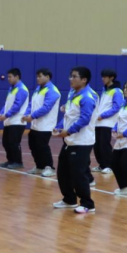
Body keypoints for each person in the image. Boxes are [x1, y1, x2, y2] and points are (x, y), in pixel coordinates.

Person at [52, 67, 98, 214]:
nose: (70, 79)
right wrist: (59, 127)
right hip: (70, 140)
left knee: (79, 174)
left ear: (84, 80)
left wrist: (68, 131)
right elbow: (69, 115)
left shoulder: (87, 97)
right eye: (70, 76)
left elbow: (85, 119)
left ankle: (87, 204)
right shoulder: (73, 94)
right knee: (62, 171)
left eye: (74, 76)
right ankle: (69, 199)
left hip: (81, 142)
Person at [23, 67, 60, 177]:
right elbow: (31, 104)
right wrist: (26, 113)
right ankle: (39, 166)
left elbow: (46, 107)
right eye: (37, 76)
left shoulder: (52, 91)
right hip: (35, 125)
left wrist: (32, 116)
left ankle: (49, 167)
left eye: (40, 76)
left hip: (45, 125)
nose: (37, 78)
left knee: (42, 146)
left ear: (47, 77)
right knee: (33, 145)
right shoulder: (38, 89)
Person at [0, 67, 29, 169]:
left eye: (10, 77)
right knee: (6, 142)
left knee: (14, 143)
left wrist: (6, 115)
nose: (8, 79)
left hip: (17, 121)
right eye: (8, 77)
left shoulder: (22, 89)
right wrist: (1, 113)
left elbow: (17, 106)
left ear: (17, 76)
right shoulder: (11, 89)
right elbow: (7, 104)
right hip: (9, 121)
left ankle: (18, 162)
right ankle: (10, 160)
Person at [93, 69, 124, 174]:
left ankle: (109, 165)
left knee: (104, 145)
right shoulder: (105, 90)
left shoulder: (117, 91)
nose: (103, 79)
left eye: (105, 77)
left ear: (111, 78)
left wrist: (103, 115)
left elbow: (116, 107)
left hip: (108, 123)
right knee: (97, 145)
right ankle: (102, 165)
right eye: (102, 76)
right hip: (99, 122)